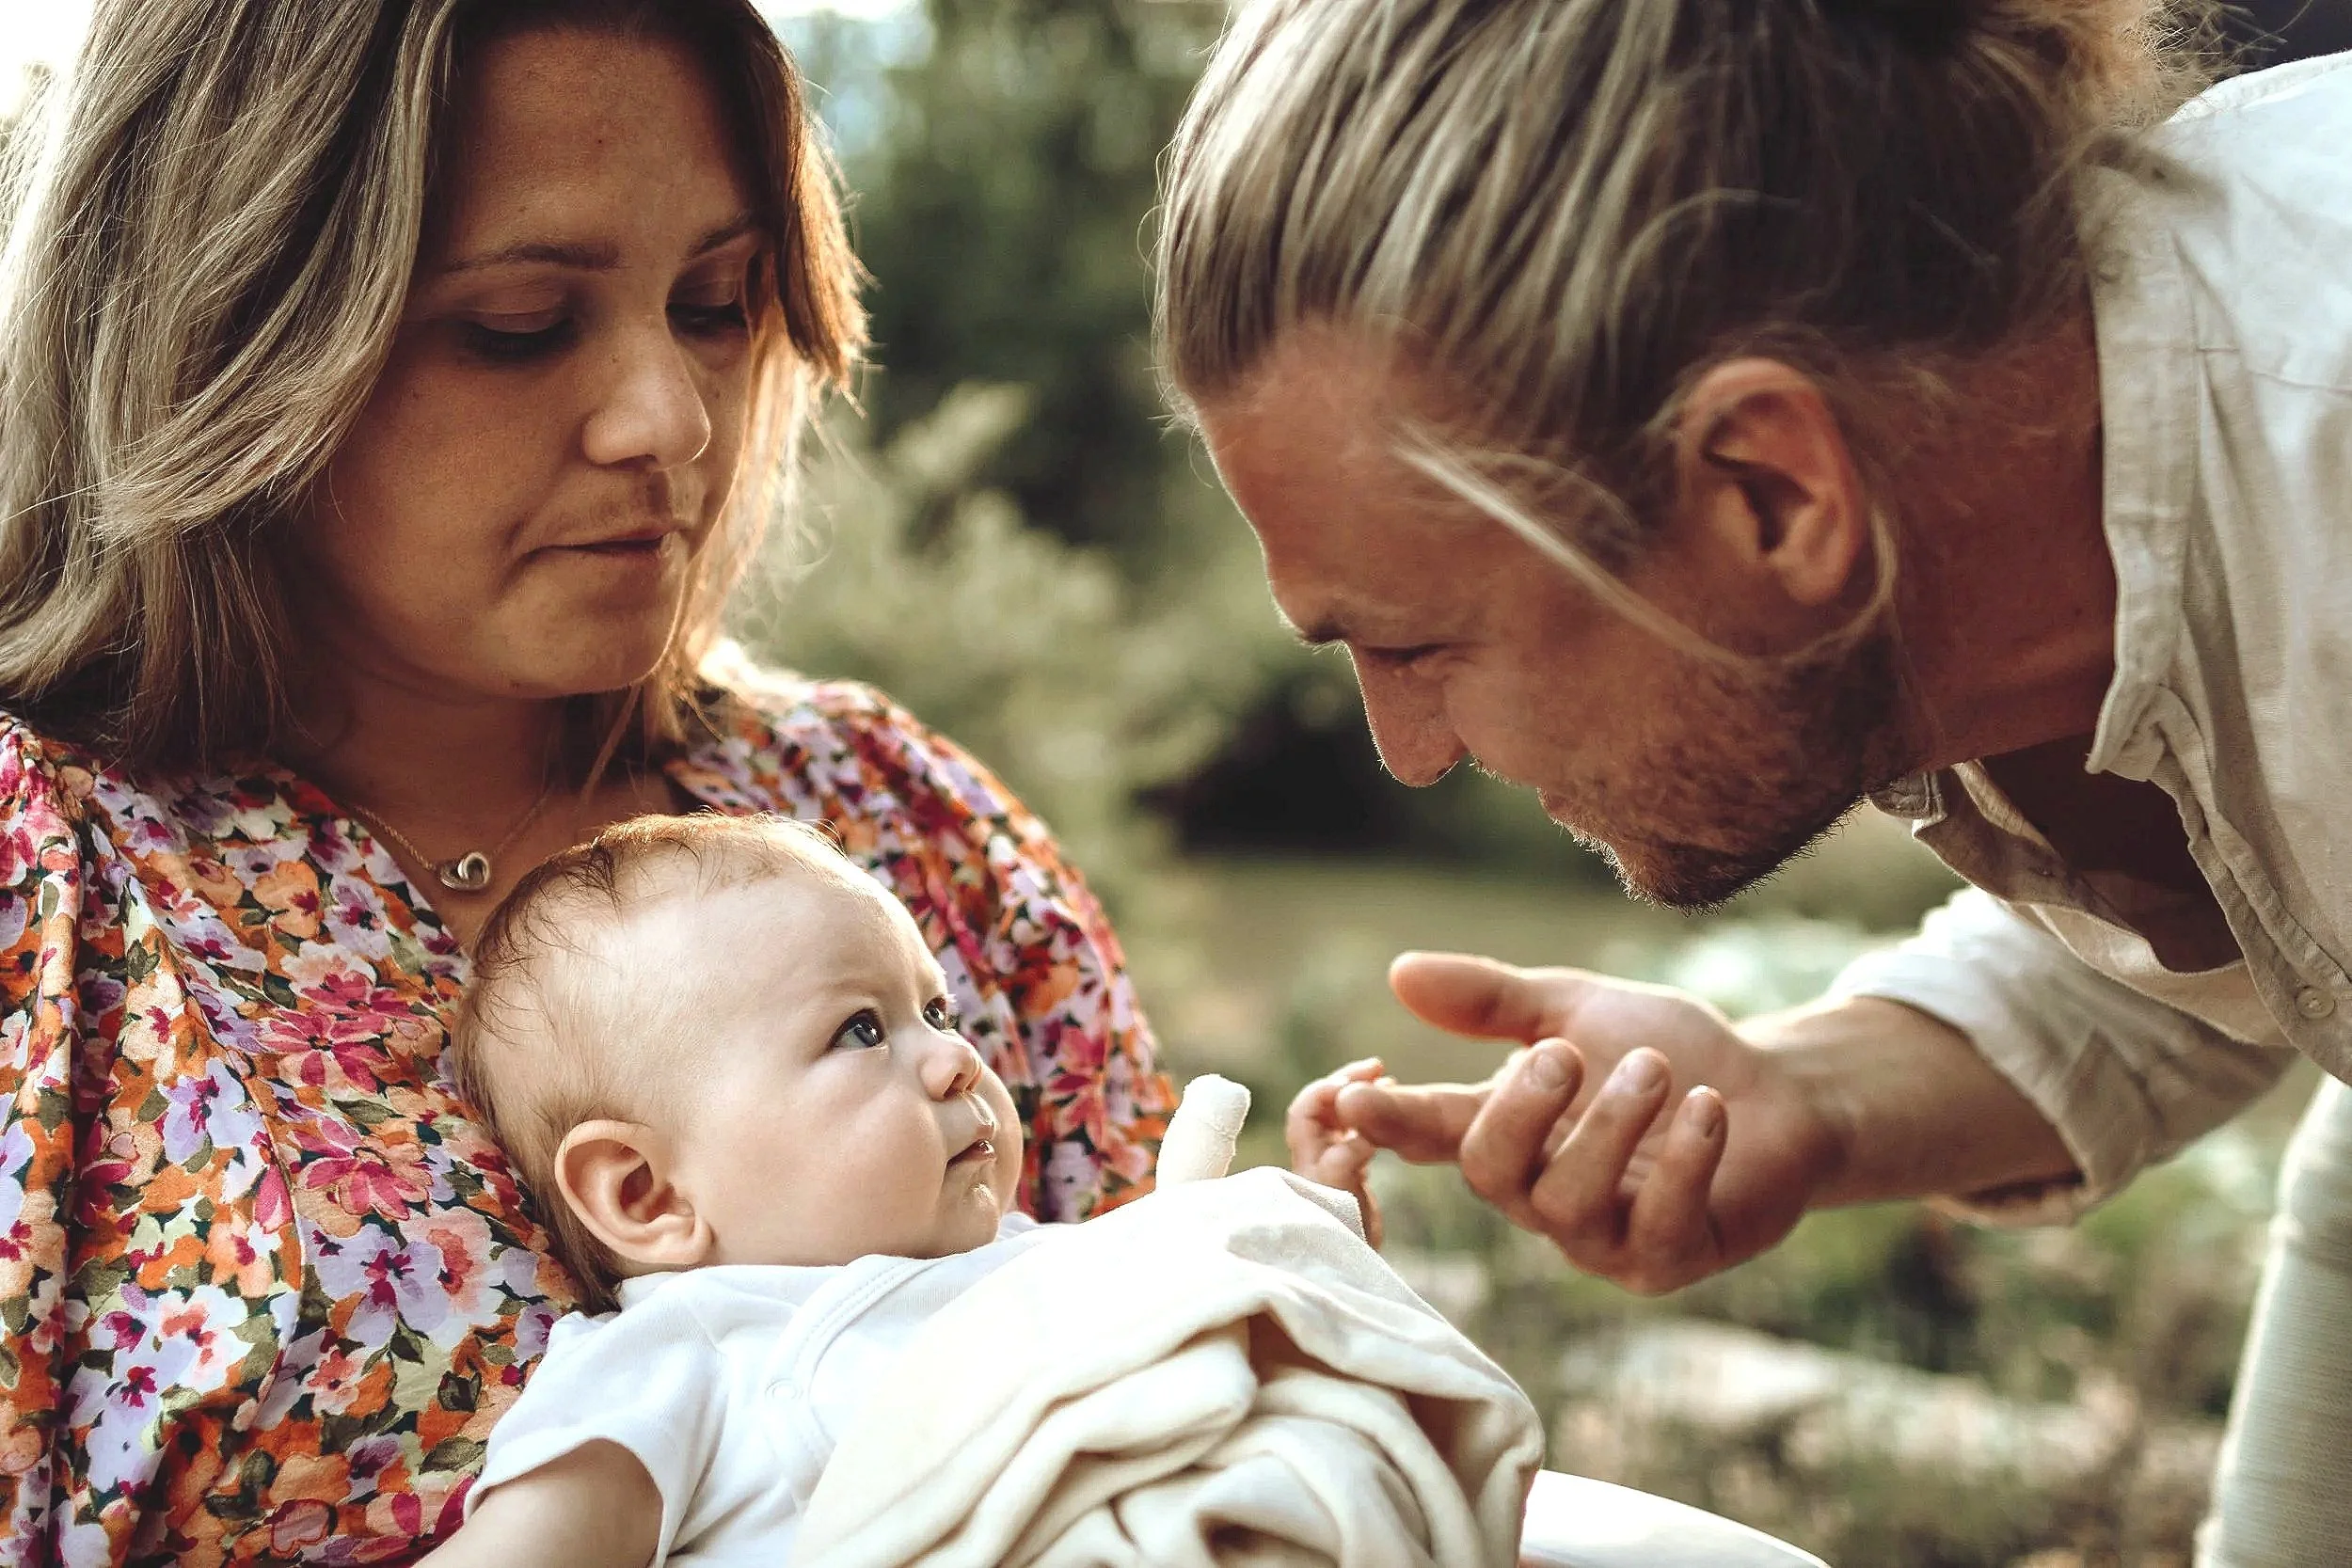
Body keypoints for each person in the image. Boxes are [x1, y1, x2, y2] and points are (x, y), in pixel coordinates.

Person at [1154, 0, 2352, 1559]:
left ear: (1771, 491)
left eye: (1421, 643)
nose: (1410, 750)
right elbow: (2262, 895)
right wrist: (1803, 1095)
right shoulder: (1992, 477)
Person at [0, 2, 1176, 1560]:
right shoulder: (44, 893)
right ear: (213, 335)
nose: (671, 418)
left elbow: (1197, 1362)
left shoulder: (895, 818)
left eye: (720, 301)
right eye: (520, 325)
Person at [404, 812, 1529, 1566]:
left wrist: (1307, 1239)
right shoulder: (686, 1353)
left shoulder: (1038, 1259)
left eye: (934, 1011)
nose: (955, 1058)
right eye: (860, 1029)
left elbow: (1208, 1349)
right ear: (647, 1192)